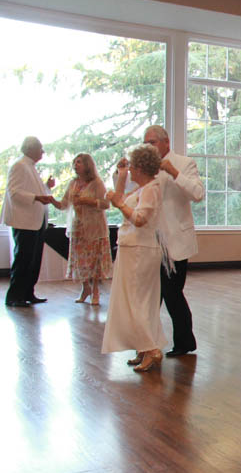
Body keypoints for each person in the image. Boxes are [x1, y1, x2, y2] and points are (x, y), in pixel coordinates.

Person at [129, 125, 205, 357]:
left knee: (172, 294)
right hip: (149, 242)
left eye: (151, 142)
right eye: (145, 142)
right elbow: (133, 197)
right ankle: (147, 347)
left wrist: (173, 172)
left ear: (166, 142)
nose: (147, 146)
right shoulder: (145, 169)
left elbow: (197, 194)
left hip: (175, 242)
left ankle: (184, 343)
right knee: (149, 298)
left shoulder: (184, 163)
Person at [102, 145, 168, 372]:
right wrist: (120, 177)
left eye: (131, 167)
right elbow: (119, 200)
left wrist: (120, 203)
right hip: (132, 247)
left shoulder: (152, 188)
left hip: (141, 249)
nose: (129, 170)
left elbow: (139, 219)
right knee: (135, 300)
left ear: (139, 167)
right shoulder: (142, 189)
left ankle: (151, 348)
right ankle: (143, 347)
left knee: (138, 301)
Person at [48, 153, 113, 306]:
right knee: (81, 261)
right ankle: (85, 289)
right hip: (79, 228)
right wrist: (50, 198)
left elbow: (106, 204)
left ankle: (96, 290)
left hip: (95, 228)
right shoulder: (73, 183)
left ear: (87, 165)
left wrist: (88, 201)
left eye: (79, 162)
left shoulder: (96, 183)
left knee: (94, 261)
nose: (76, 165)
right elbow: (64, 204)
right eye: (75, 162)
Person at [2, 137, 55, 307]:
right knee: (23, 259)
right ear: (30, 149)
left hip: (35, 221)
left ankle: (27, 293)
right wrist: (37, 197)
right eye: (40, 148)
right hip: (24, 222)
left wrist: (46, 187)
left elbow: (34, 192)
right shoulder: (19, 166)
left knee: (33, 260)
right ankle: (14, 297)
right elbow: (14, 193)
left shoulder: (30, 167)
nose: (43, 152)